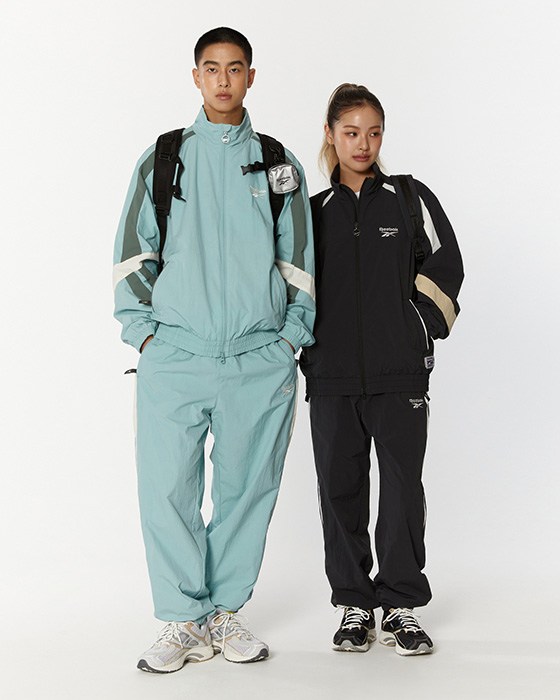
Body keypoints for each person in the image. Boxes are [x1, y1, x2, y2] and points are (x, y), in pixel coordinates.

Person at [113, 27, 315, 672]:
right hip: (175, 356)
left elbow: (299, 261)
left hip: (258, 359)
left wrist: (288, 340)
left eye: (235, 68)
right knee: (167, 491)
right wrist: (145, 335)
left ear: (251, 76)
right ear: (195, 76)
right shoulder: (164, 158)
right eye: (211, 68)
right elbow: (133, 253)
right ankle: (182, 620)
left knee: (246, 491)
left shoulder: (278, 163)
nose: (223, 80)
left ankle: (224, 612)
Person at [299, 84, 463, 656]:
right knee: (339, 492)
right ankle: (353, 604)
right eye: (351, 132)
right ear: (330, 135)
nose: (363, 143)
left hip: (400, 376)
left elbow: (447, 263)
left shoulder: (408, 199)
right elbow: (290, 284)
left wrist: (415, 326)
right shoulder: (312, 212)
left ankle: (400, 606)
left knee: (400, 493)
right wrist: (304, 344)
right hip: (330, 377)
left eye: (373, 132)